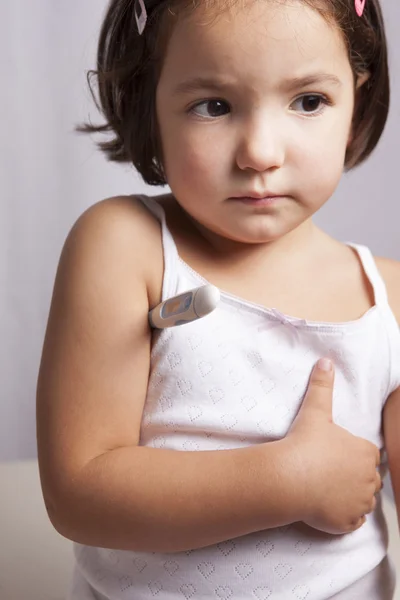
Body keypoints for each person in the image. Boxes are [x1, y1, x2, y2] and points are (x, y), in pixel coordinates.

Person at [36, 0, 400, 598]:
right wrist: (286, 480)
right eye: (214, 106)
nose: (260, 152)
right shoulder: (127, 249)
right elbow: (78, 494)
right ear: (151, 109)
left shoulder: (385, 298)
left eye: (308, 101)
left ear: (356, 104)